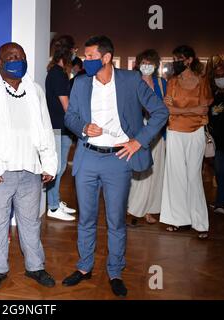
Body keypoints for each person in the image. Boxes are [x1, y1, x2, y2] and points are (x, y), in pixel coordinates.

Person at [63, 35, 168, 297]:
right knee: (85, 218)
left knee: (115, 221)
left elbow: (160, 112)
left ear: (106, 57)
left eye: (89, 57)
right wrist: (83, 127)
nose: (84, 61)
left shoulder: (131, 81)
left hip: (117, 160)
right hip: (87, 157)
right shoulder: (80, 83)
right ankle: (84, 267)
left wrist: (138, 142)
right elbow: (70, 117)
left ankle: (115, 271)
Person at [0, 42, 58, 289]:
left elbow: (45, 128)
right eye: (12, 56)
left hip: (30, 171)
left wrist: (49, 163)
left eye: (21, 56)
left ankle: (35, 267)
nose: (18, 60)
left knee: (31, 223)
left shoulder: (35, 90)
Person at [160, 45, 214, 239]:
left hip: (196, 132)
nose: (176, 63)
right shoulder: (172, 82)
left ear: (189, 60)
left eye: (179, 59)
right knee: (175, 176)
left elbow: (205, 109)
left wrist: (181, 111)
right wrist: (191, 111)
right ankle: (178, 220)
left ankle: (200, 223)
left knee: (193, 176)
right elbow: (169, 110)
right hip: (175, 131)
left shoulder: (202, 81)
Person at [127, 49, 167, 225]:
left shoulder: (162, 83)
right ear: (138, 64)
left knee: (155, 172)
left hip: (157, 133)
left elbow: (165, 108)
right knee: (138, 172)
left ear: (156, 65)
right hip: (137, 132)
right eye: (144, 63)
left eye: (150, 63)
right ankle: (133, 209)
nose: (147, 66)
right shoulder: (132, 82)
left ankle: (150, 210)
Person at [45, 35, 77, 221]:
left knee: (61, 166)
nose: (75, 53)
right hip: (57, 127)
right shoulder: (57, 73)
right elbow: (67, 106)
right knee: (56, 167)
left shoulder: (59, 72)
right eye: (73, 50)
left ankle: (55, 201)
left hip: (61, 127)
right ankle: (53, 207)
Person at [206, 56, 224, 214]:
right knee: (218, 171)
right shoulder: (214, 95)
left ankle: (220, 203)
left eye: (223, 75)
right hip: (217, 142)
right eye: (217, 76)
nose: (220, 79)